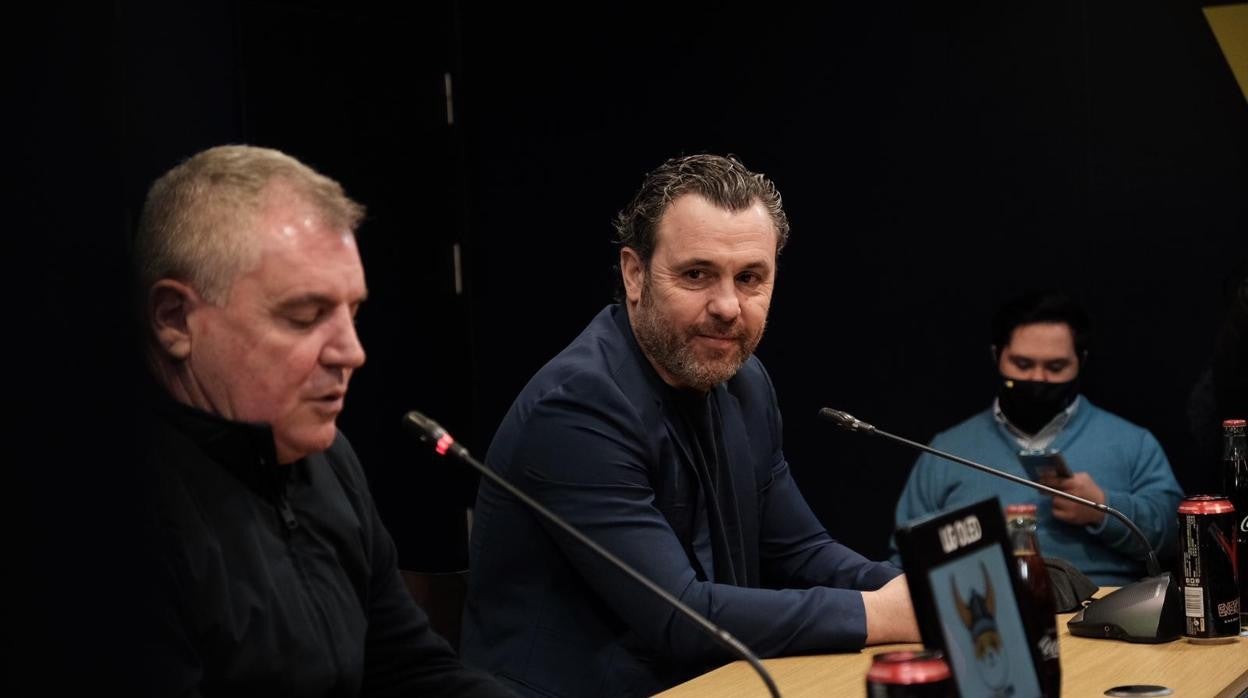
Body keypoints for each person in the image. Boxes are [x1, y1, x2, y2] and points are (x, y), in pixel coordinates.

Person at [461, 154, 918, 697]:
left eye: (750, 278)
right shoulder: (579, 407)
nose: (727, 306)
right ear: (635, 274)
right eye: (697, 274)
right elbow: (679, 615)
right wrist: (879, 615)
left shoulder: (745, 384)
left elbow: (802, 550)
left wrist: (915, 592)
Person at [135, 145, 510, 696]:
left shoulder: (326, 458)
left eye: (352, 314)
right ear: (175, 320)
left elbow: (410, 671)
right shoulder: (109, 521)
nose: (352, 352)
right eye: (306, 316)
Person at [892, 290, 1184, 586]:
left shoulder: (1132, 443)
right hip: (986, 615)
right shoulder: (946, 450)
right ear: (997, 356)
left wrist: (1103, 508)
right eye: (1022, 365)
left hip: (1104, 618)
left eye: (1055, 368)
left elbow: (1176, 536)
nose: (1038, 379)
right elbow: (903, 559)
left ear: (1081, 361)